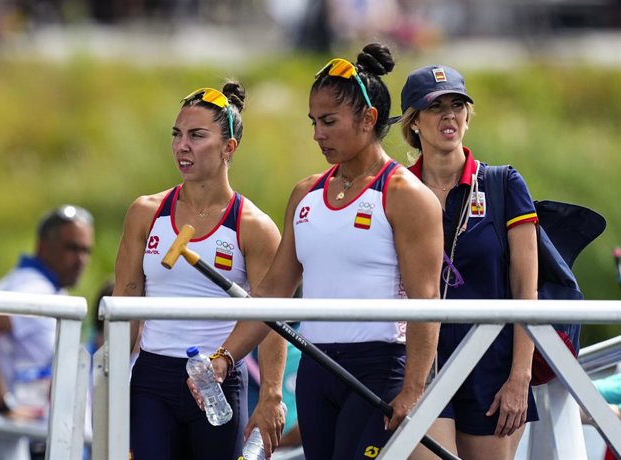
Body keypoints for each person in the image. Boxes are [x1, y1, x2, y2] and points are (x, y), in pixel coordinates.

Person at [205, 43, 444, 460]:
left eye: (329, 121)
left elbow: (426, 301)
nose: (318, 134)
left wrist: (414, 390)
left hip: (378, 369)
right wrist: (225, 357)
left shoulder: (406, 195)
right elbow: (274, 291)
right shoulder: (305, 194)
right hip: (317, 370)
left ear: (369, 119)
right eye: (314, 122)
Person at [112, 81, 282, 460]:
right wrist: (106, 381)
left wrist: (271, 394)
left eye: (196, 136)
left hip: (216, 379)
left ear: (229, 148)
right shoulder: (146, 212)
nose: (181, 146)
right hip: (153, 379)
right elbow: (125, 302)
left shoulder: (253, 225)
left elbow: (272, 319)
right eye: (177, 134)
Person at [398, 64, 539, 459]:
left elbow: (526, 291)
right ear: (413, 123)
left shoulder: (503, 184)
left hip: (492, 368)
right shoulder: (398, 190)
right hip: (421, 364)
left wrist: (519, 378)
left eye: (457, 105)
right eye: (435, 106)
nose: (449, 115)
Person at [0, 204, 94, 458]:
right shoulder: (36, 290)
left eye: (86, 250)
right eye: (72, 248)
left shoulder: (38, 284)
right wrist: (3, 404)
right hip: (20, 439)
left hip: (26, 435)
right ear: (44, 246)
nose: (81, 260)